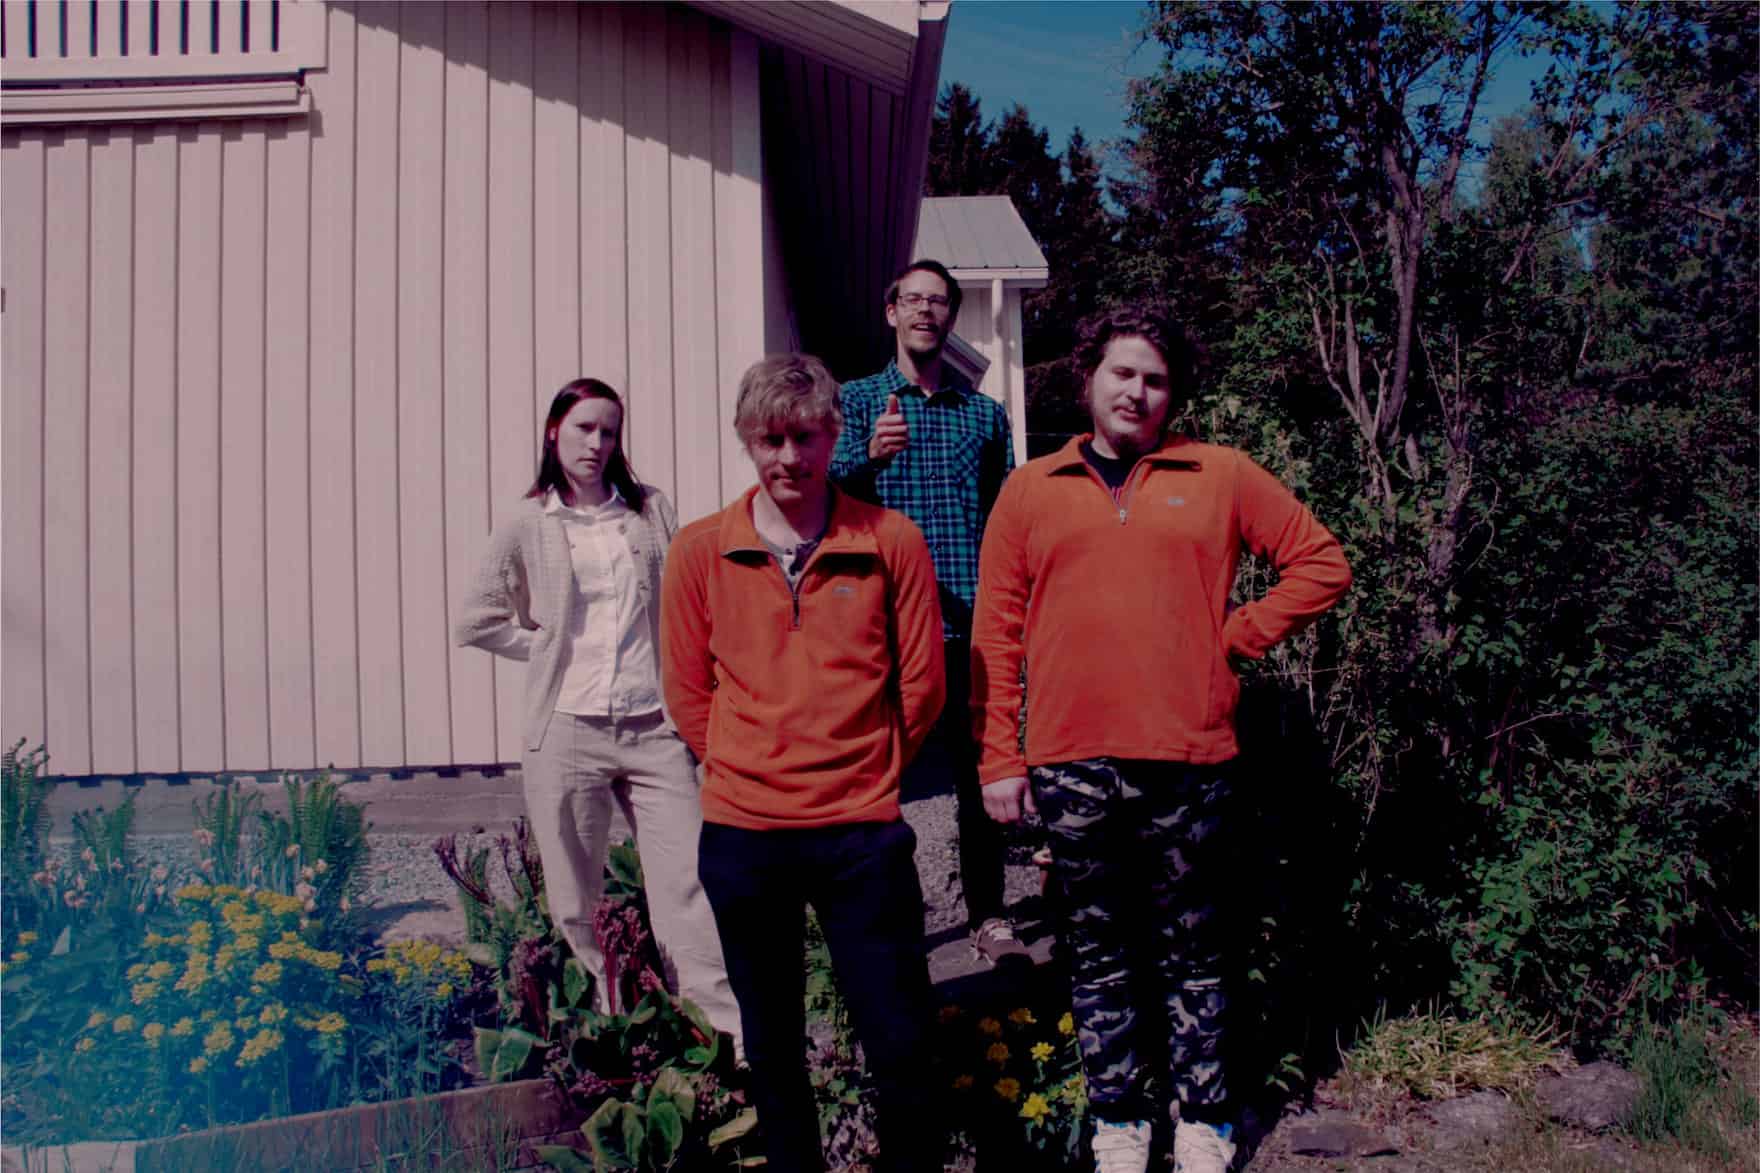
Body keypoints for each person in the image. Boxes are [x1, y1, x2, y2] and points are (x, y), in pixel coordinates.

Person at [970, 306, 1352, 1173]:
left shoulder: (1217, 473)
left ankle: (1206, 1123)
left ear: (1171, 394)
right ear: (1088, 378)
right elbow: (994, 633)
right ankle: (1120, 1123)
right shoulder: (1031, 488)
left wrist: (1237, 635)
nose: (1137, 391)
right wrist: (1000, 755)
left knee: (1197, 953)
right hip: (1071, 762)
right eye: (1122, 372)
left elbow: (1321, 561)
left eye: (1155, 378)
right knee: (1099, 953)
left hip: (1191, 761)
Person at [661, 354, 945, 1173]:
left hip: (862, 832)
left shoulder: (890, 540)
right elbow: (685, 690)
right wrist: (748, 766)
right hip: (746, 839)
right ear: (750, 441)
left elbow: (921, 683)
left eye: (810, 436)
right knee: (774, 1047)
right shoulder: (700, 551)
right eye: (774, 438)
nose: (792, 457)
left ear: (835, 435)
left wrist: (872, 773)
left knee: (899, 1037)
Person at [454, 377, 740, 1049]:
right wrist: (544, 645)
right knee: (576, 901)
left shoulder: (649, 510)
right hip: (570, 731)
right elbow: (476, 620)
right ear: (554, 429)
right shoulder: (530, 521)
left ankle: (723, 1040)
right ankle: (620, 1035)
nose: (597, 442)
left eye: (609, 431)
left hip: (653, 727)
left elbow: (682, 605)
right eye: (584, 427)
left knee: (690, 881)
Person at [829, 258, 1026, 967]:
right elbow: (814, 502)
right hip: (882, 628)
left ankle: (990, 917)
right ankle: (890, 923)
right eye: (913, 299)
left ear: (951, 317)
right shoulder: (854, 404)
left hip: (971, 626)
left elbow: (1005, 522)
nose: (926, 311)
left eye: (939, 301)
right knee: (881, 782)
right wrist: (865, 458)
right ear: (891, 311)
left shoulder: (984, 415)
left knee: (981, 780)